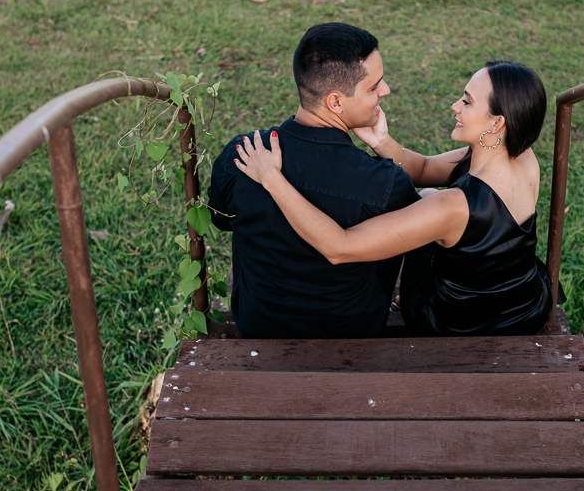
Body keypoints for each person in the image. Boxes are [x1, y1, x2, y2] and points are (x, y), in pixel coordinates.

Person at [233, 59, 555, 336]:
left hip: (458, 323)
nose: (455, 106)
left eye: (467, 102)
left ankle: (406, 299)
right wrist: (382, 141)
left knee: (423, 197)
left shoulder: (451, 207)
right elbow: (427, 166)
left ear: (497, 122)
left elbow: (340, 247)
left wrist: (272, 179)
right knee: (429, 191)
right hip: (525, 303)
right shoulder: (521, 155)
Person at [208, 23, 419, 338]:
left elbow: (219, 219)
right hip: (354, 330)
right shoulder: (385, 183)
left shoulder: (244, 155)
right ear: (335, 102)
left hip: (260, 324)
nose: (385, 90)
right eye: (374, 86)